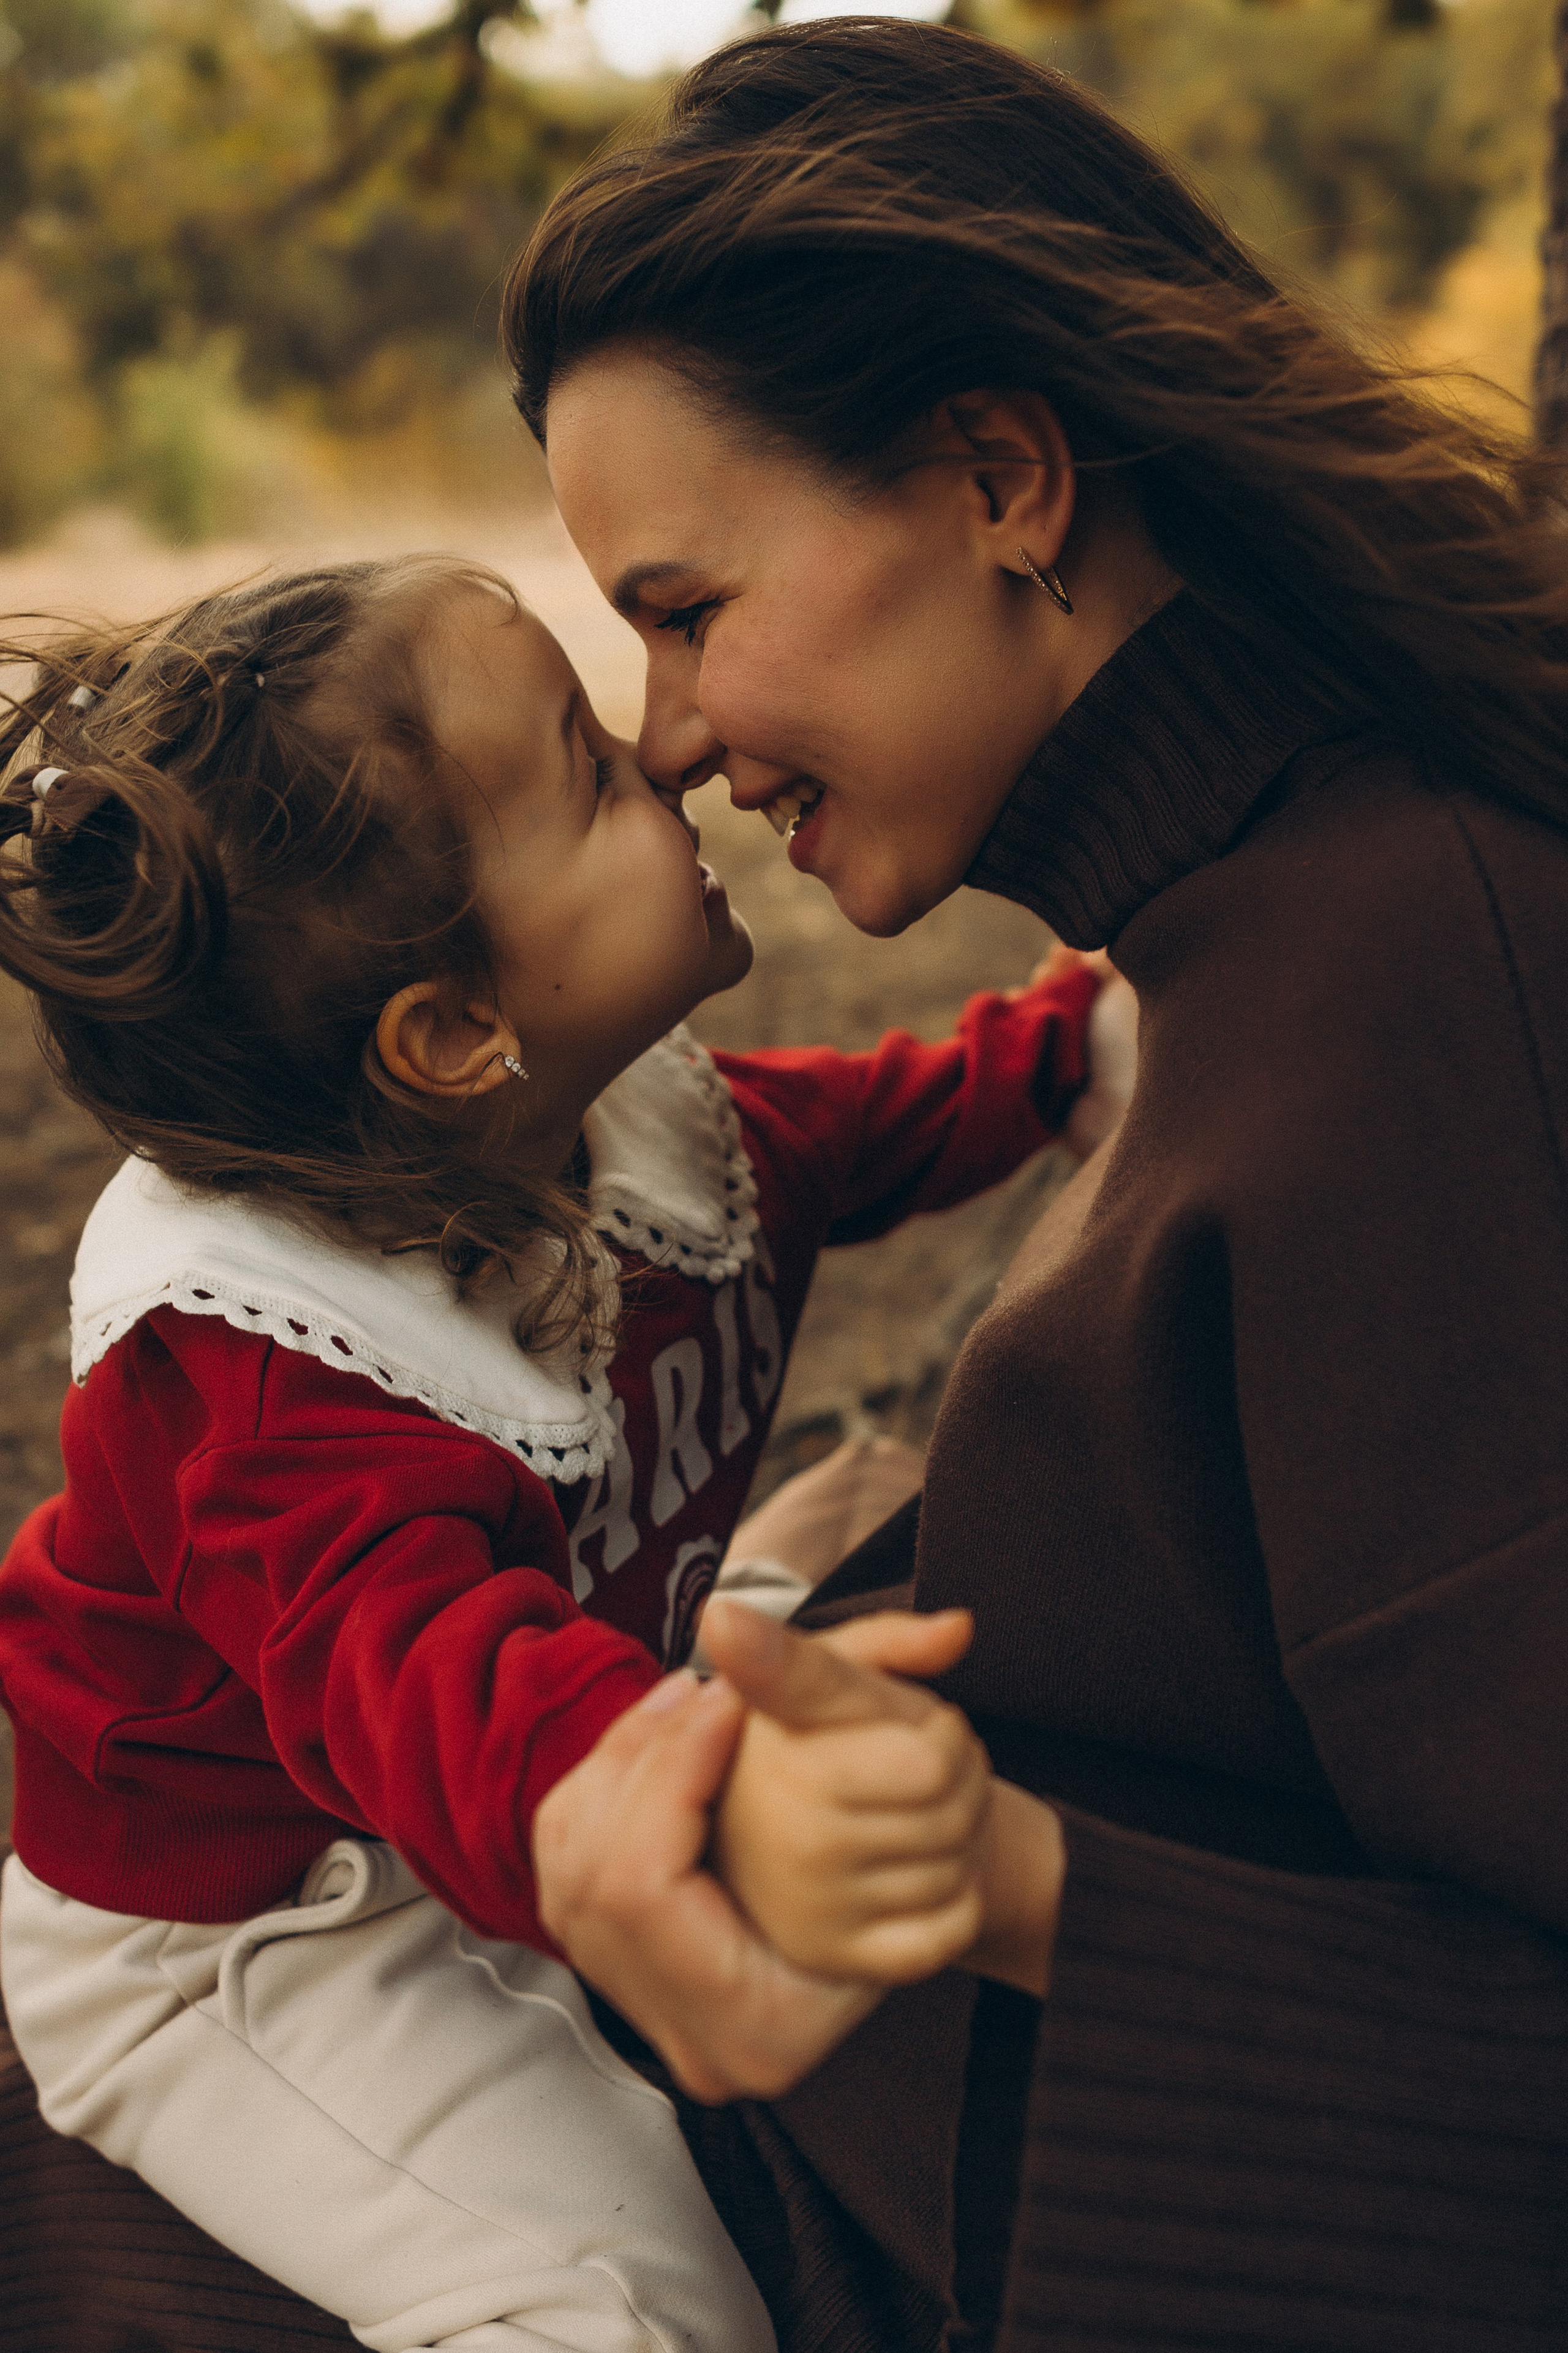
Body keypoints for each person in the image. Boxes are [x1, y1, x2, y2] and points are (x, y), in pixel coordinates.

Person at [497, 18, 1568, 2351]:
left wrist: (999, 1886)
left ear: (998, 477)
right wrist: (782, 1596)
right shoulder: (1228, 935)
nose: (663, 732)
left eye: (686, 610)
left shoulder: (1422, 989)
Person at [0, 556, 1129, 2352]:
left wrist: (1072, 1049)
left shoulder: (622, 1128)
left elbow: (849, 1134)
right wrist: (656, 1779)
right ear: (455, 1036)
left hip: (511, 1780)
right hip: (257, 1925)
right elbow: (430, 1681)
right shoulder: (256, 1387)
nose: (663, 759)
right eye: (589, 773)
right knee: (631, 2305)